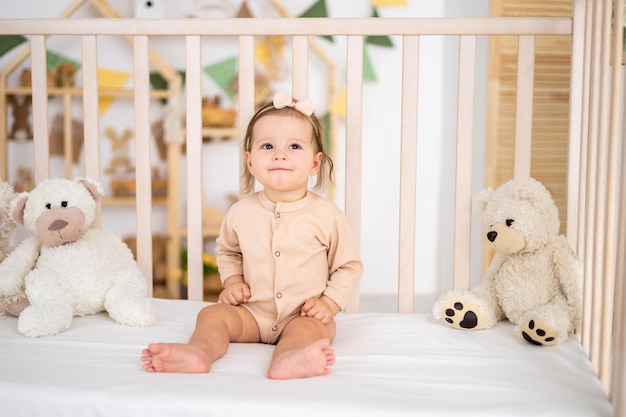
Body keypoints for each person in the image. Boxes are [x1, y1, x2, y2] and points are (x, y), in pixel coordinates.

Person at [141, 92, 363, 379]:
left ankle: (289, 359)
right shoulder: (240, 212)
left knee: (309, 331)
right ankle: (199, 352)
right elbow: (229, 252)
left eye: (294, 146)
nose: (279, 154)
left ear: (315, 163)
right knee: (211, 315)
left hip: (303, 315)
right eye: (267, 145)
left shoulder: (328, 216)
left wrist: (329, 304)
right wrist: (232, 281)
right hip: (251, 314)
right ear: (250, 161)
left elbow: (348, 266)